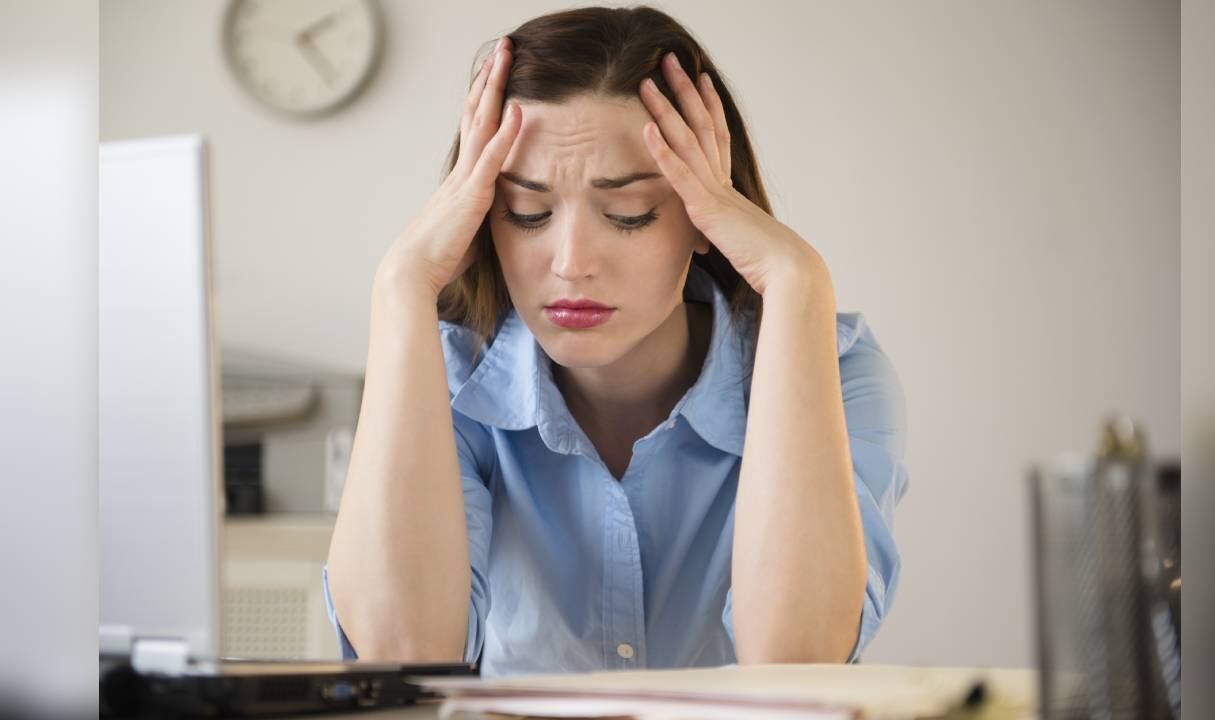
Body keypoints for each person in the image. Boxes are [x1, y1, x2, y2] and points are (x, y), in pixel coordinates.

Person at [323, 5, 908, 677]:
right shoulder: (451, 379)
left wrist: (796, 280)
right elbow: (402, 656)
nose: (571, 263)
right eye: (527, 213)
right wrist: (402, 285)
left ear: (703, 216)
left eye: (629, 215)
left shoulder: (839, 370)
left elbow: (797, 658)